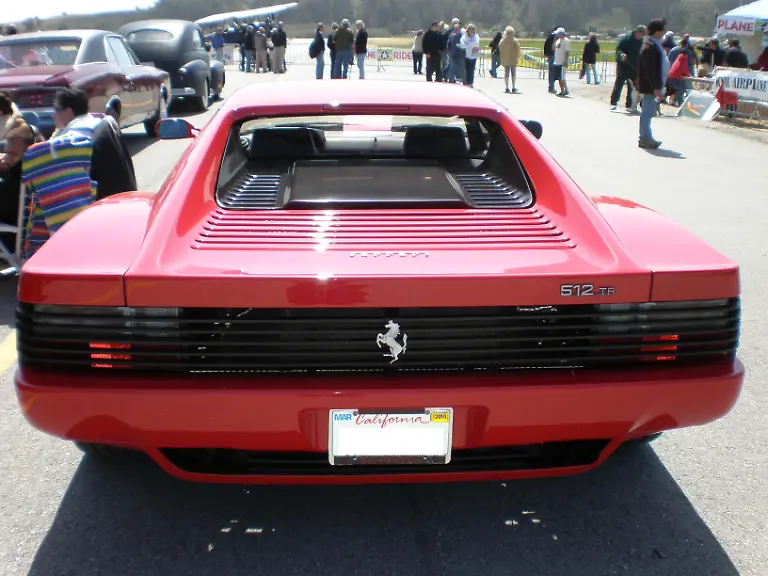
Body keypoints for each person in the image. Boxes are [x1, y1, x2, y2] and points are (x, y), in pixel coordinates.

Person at [637, 19, 669, 149]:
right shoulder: (649, 45)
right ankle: (645, 138)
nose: (663, 33)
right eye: (662, 30)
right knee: (647, 112)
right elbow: (650, 69)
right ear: (657, 31)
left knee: (649, 111)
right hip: (650, 85)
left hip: (653, 84)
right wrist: (656, 88)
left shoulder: (653, 44)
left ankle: (646, 137)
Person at [611, 25, 646, 112]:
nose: (641, 36)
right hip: (623, 66)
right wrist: (621, 54)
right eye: (641, 34)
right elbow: (618, 49)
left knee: (632, 87)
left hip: (634, 67)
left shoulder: (641, 41)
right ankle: (614, 103)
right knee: (619, 84)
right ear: (637, 32)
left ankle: (630, 105)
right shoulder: (626, 38)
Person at [498, 26, 520, 93]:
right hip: (513, 59)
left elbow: (500, 48)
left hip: (505, 59)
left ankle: (507, 87)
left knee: (506, 73)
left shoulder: (502, 41)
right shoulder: (515, 40)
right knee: (513, 73)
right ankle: (513, 86)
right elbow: (518, 49)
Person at [460, 24, 481, 88]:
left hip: (473, 55)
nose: (471, 32)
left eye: (473, 30)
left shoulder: (476, 36)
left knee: (471, 70)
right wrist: (468, 43)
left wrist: (468, 44)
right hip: (466, 55)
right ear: (467, 30)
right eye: (470, 30)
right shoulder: (464, 36)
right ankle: (466, 82)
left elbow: (475, 43)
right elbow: (462, 45)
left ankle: (470, 83)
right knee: (466, 69)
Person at [543, 25, 562, 93]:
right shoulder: (554, 37)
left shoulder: (550, 35)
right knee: (553, 72)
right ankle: (551, 87)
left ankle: (551, 86)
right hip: (552, 55)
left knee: (551, 72)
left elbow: (545, 45)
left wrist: (546, 54)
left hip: (550, 55)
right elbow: (553, 47)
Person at [552, 28, 570, 96]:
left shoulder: (566, 41)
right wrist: (554, 40)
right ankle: (565, 89)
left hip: (561, 62)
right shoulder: (558, 40)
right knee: (560, 77)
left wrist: (565, 61)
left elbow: (567, 52)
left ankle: (563, 91)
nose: (557, 35)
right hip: (556, 61)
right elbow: (553, 48)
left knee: (561, 77)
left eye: (558, 33)